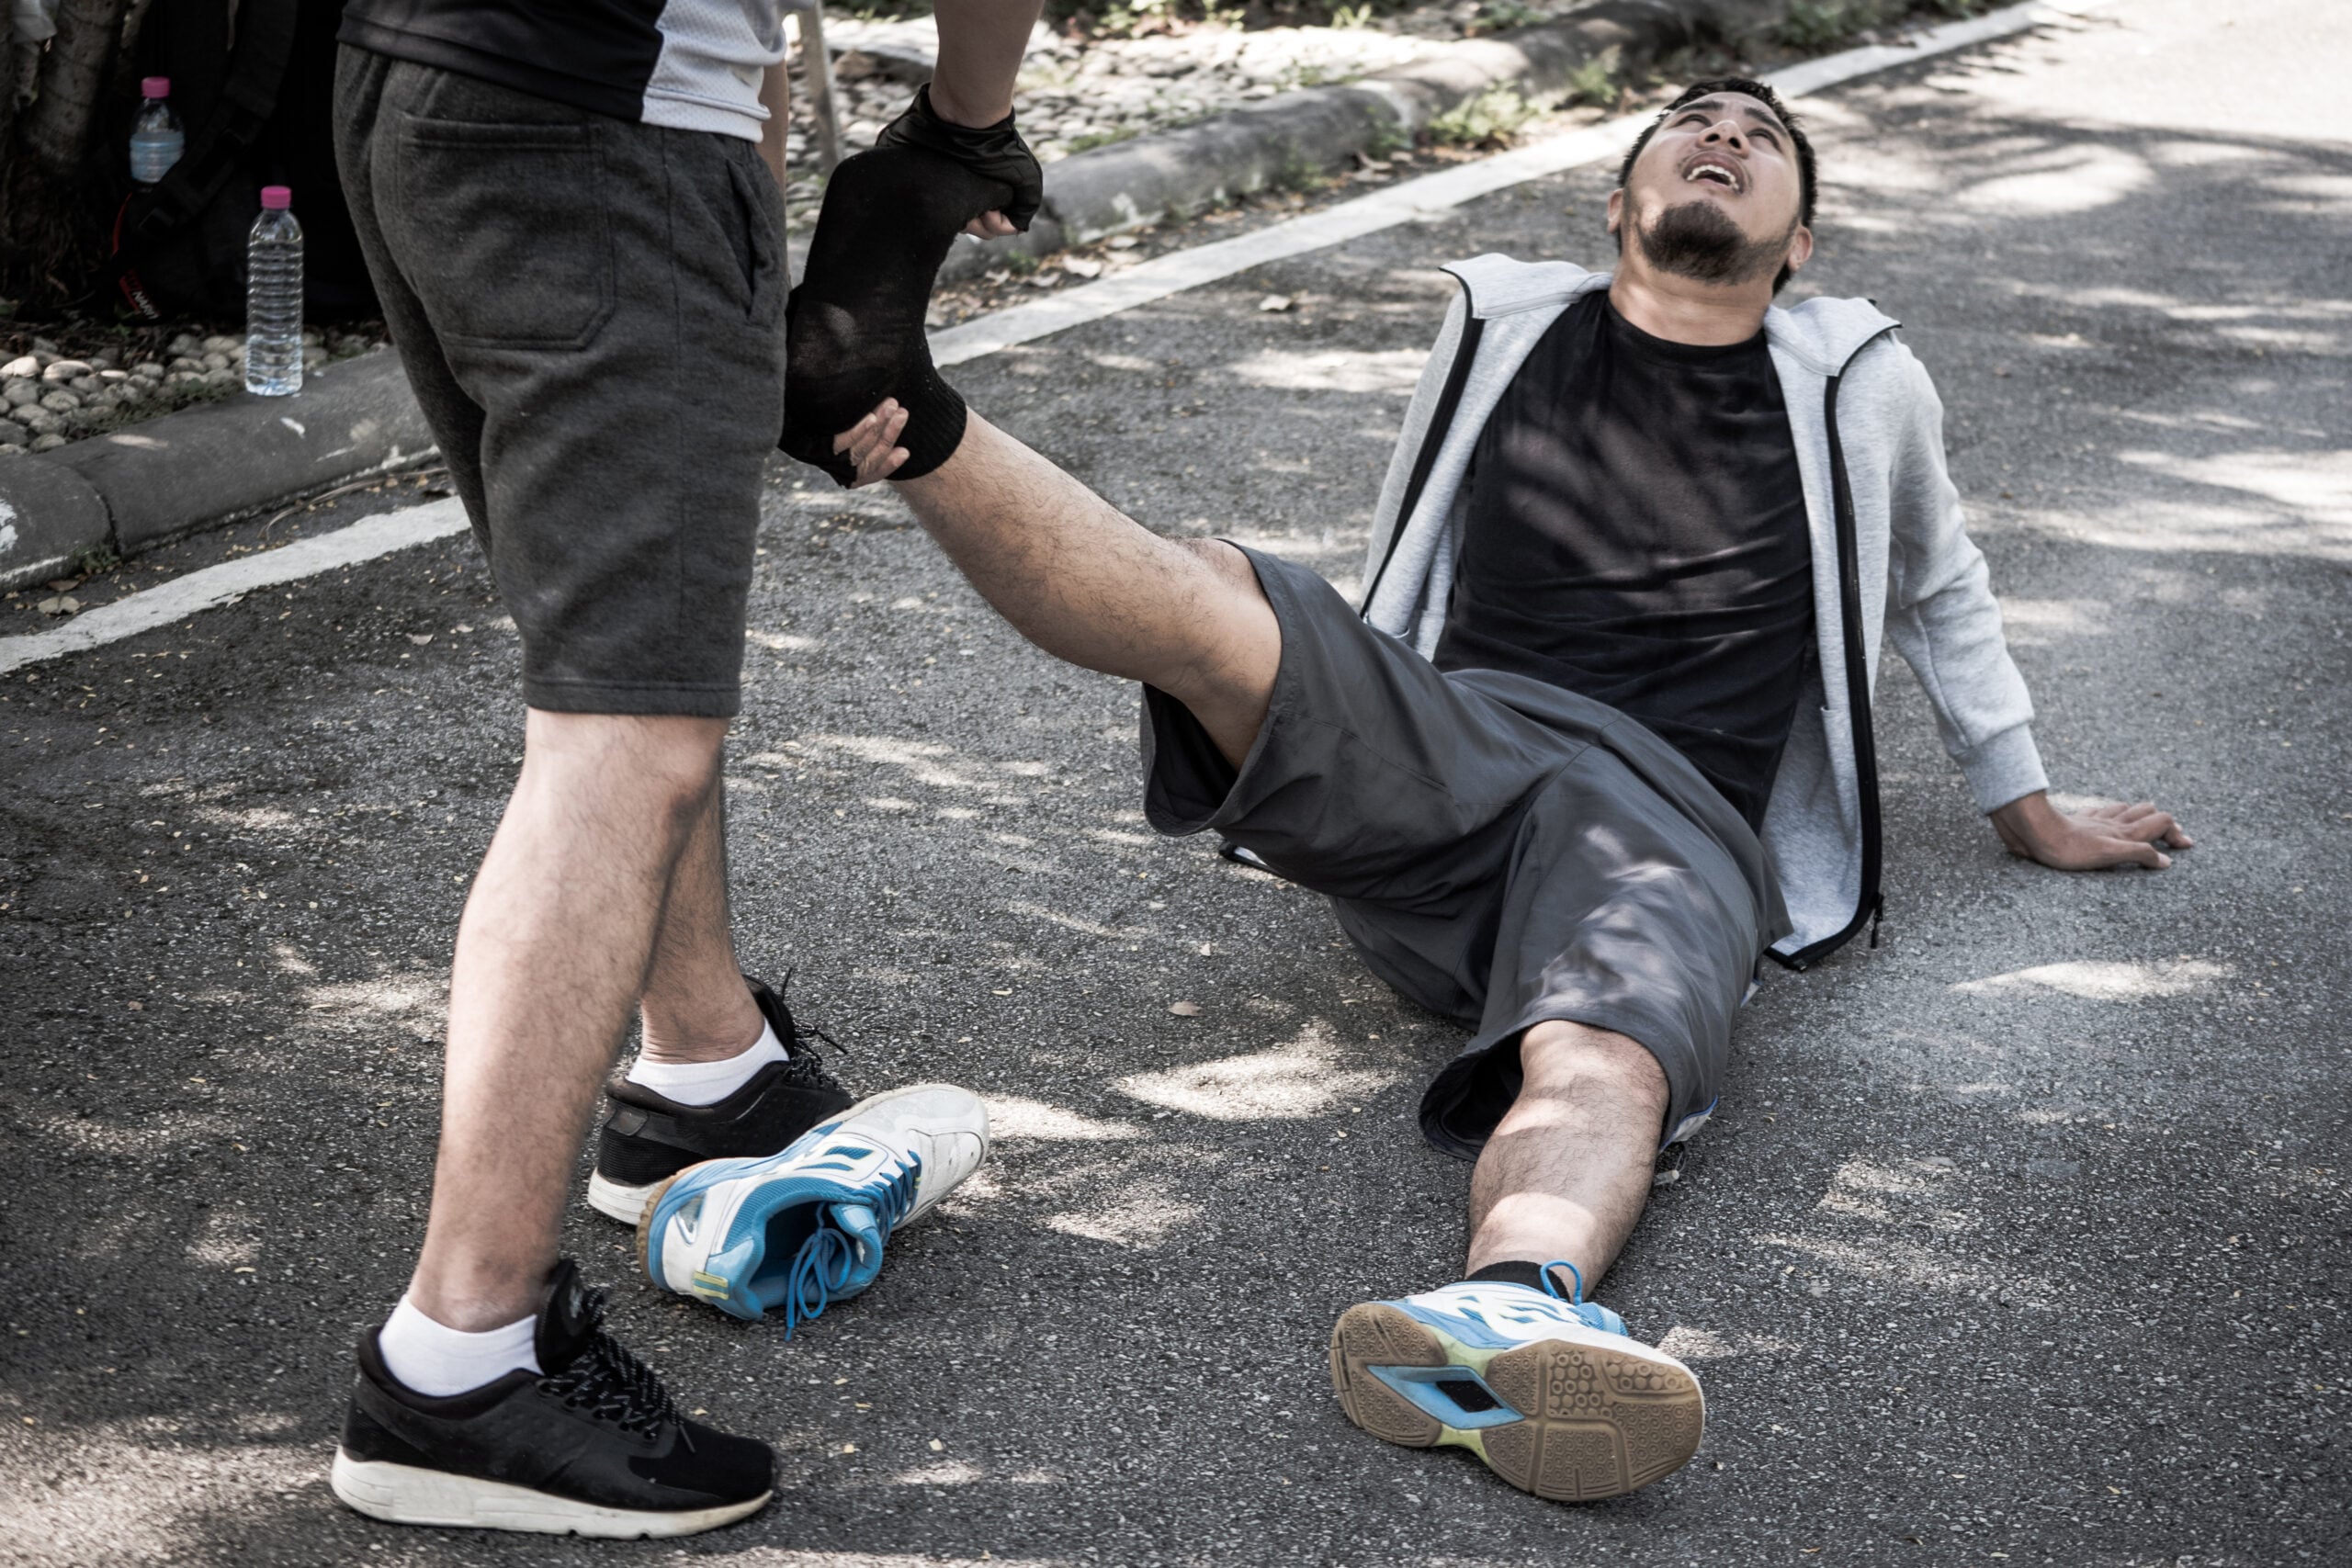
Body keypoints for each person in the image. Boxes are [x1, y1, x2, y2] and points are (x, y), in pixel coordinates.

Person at [783, 77, 2192, 1504]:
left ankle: (1508, 1309)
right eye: (1693, 127)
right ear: (1616, 205)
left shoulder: (1863, 381)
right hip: (1455, 742)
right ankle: (892, 391)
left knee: (1602, 1058)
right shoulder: (1504, 326)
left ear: (1801, 244)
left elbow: (1942, 586)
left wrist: (2029, 804)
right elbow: (1413, 550)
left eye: (1764, 143)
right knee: (1217, 588)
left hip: (1667, 825)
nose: (1726, 141)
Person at [322, 0, 1042, 1539]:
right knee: (623, 737)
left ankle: (706, 1079)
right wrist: (960, 132)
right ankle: (459, 1364)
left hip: (440, 86)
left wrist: (756, 220)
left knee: (627, 673)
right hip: (595, 137)